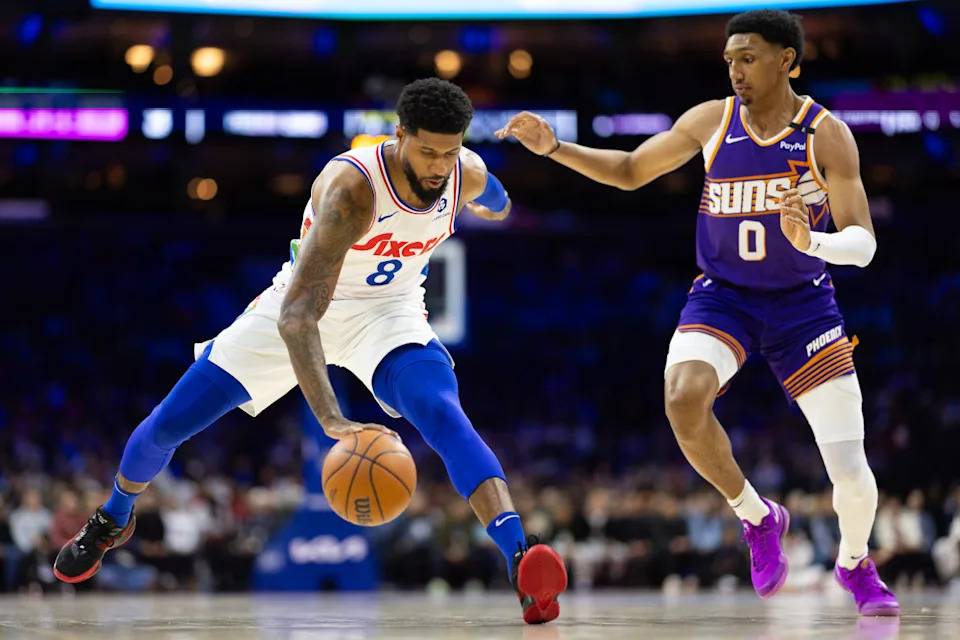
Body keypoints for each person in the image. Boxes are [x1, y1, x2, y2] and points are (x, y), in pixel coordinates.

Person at [54, 78, 566, 624]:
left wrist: (495, 202)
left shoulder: (465, 171)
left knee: (443, 412)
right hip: (298, 305)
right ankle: (114, 516)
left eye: (450, 151)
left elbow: (497, 198)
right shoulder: (352, 190)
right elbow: (300, 317)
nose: (440, 165)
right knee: (168, 425)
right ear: (399, 136)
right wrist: (331, 418)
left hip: (388, 314)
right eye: (428, 151)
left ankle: (519, 557)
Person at [498, 9, 897, 616]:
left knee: (848, 467)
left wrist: (809, 242)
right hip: (724, 296)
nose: (735, 70)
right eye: (730, 58)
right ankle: (757, 518)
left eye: (749, 57)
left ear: (788, 59)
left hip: (803, 306)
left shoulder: (825, 134)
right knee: (682, 398)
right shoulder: (713, 120)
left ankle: (854, 562)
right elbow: (632, 171)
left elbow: (863, 244)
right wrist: (554, 148)